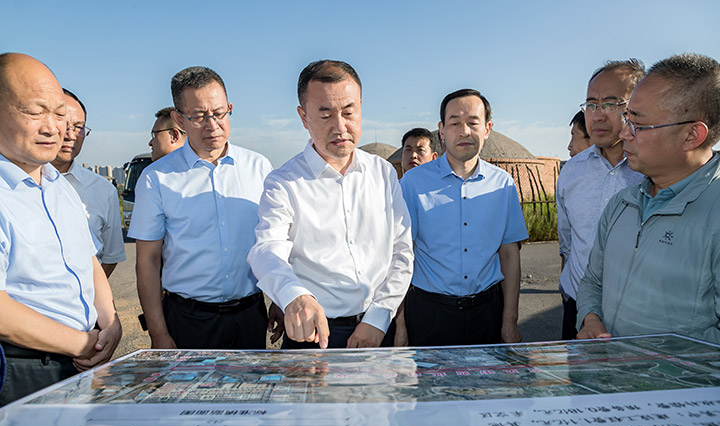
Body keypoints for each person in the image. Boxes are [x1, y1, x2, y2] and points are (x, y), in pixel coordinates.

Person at [248, 60, 413, 349]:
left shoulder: (383, 173)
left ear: (360, 107)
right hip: (313, 336)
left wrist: (378, 318)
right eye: (325, 115)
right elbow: (267, 249)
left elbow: (401, 252)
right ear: (303, 117)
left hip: (377, 328)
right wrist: (294, 296)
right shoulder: (283, 182)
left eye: (349, 112)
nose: (340, 127)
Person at [0, 53, 121, 405]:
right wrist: (82, 344)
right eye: (35, 112)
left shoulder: (58, 185)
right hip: (22, 368)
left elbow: (88, 260)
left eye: (59, 114)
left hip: (81, 360)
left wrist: (111, 324)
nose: (53, 128)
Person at [576, 53, 720, 344]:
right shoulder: (622, 203)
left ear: (692, 135)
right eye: (627, 120)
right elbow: (593, 280)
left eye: (638, 125)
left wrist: (657, 362)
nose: (624, 133)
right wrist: (591, 318)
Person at [129, 66, 273, 350]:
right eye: (198, 116)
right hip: (188, 320)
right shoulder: (157, 178)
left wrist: (280, 301)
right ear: (178, 119)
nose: (212, 125)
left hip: (250, 315)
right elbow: (148, 261)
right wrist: (158, 332)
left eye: (219, 113)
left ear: (230, 108)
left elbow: (274, 243)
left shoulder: (259, 168)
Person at [399, 89, 528, 346]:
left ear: (487, 129)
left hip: (487, 312)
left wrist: (509, 320)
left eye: (473, 122)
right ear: (442, 130)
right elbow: (401, 255)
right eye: (455, 123)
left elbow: (509, 254)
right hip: (429, 313)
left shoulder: (502, 184)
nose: (464, 131)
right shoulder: (413, 183)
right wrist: (400, 324)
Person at [556, 60, 645, 340]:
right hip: (578, 309)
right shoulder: (571, 171)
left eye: (610, 104)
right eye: (591, 105)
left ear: (637, 106)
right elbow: (568, 243)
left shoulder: (654, 172)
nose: (597, 115)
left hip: (637, 313)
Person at [50, 89, 126, 278]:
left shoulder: (103, 190)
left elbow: (111, 256)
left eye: (78, 127)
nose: (70, 135)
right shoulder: (14, 184)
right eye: (63, 124)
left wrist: (89, 290)